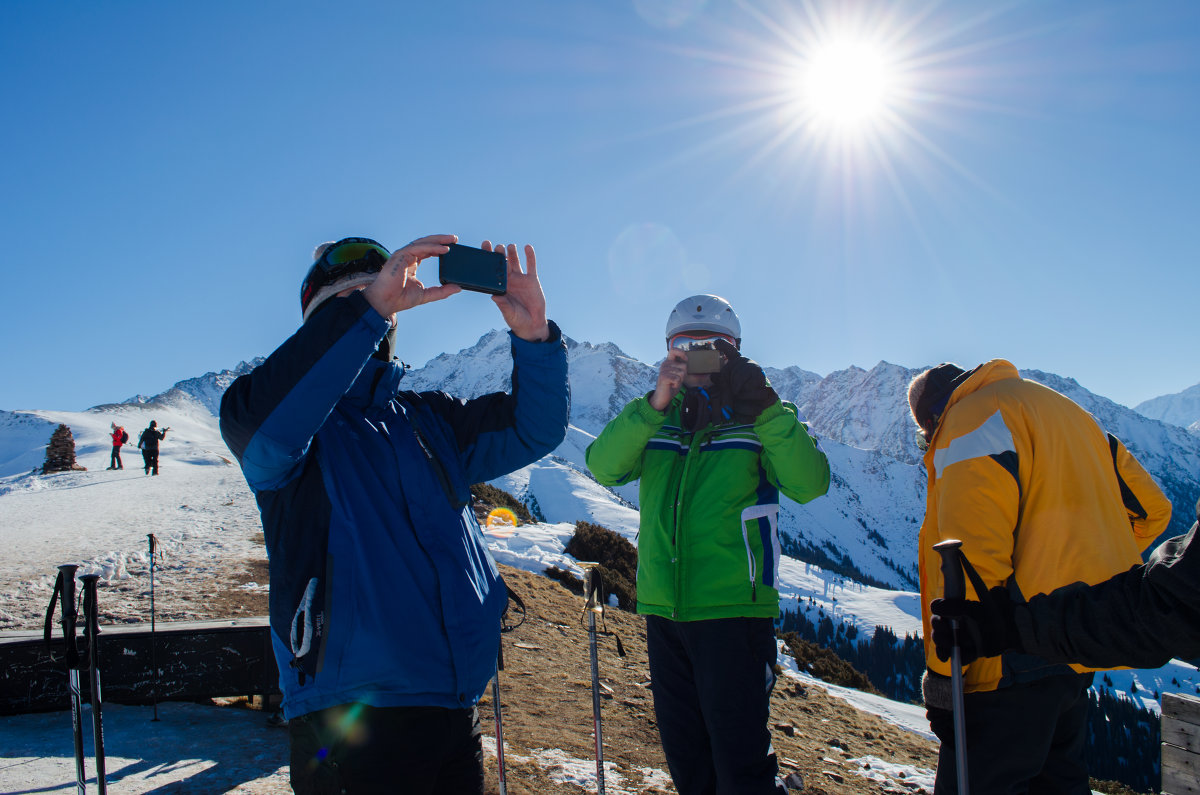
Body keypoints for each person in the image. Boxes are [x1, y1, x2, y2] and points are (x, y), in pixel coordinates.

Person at [219, 234, 569, 794]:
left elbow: (534, 428)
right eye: (348, 303)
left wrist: (533, 337)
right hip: (348, 719)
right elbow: (261, 427)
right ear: (320, 326)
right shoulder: (277, 424)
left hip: (454, 707)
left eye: (377, 297)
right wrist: (368, 308)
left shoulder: (427, 418)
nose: (369, 310)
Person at [585, 294, 830, 794]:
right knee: (688, 765)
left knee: (740, 768)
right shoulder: (657, 419)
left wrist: (764, 408)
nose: (695, 355)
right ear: (666, 350)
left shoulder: (760, 418)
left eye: (710, 346)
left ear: (733, 352)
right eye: (683, 345)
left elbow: (810, 483)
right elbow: (602, 466)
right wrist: (654, 404)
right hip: (664, 614)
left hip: (733, 614)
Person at [907, 360, 1172, 795]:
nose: (927, 443)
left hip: (1005, 653)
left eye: (924, 436)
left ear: (931, 417)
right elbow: (1152, 511)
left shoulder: (968, 422)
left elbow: (970, 561)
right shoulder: (1069, 412)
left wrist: (942, 677)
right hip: (1075, 637)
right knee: (1059, 782)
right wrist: (1081, 563)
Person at [930, 496, 1200, 671]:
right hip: (1059, 644)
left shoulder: (967, 433)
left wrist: (1008, 625)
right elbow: (1154, 511)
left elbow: (1169, 609)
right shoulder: (1088, 423)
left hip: (1016, 666)